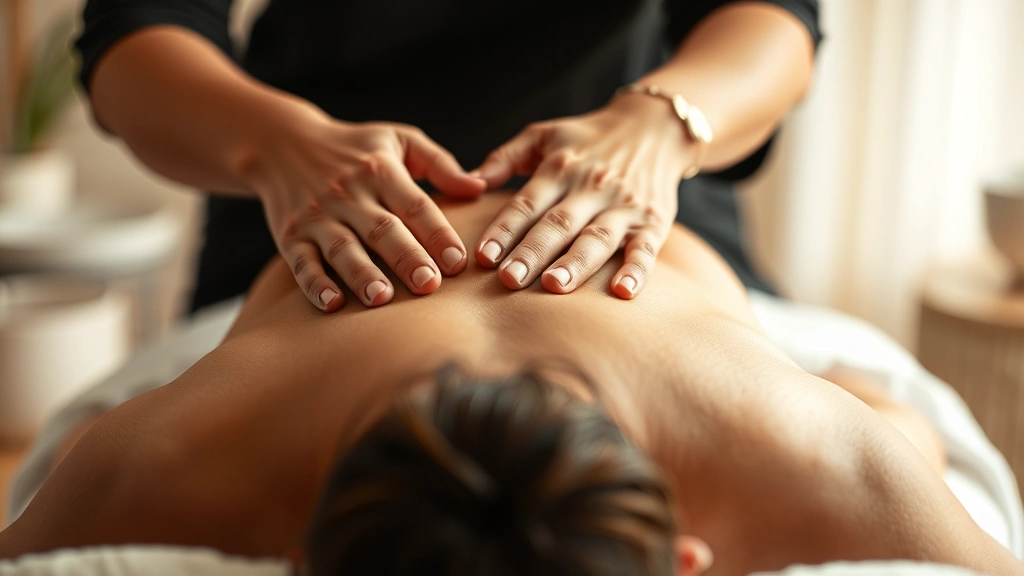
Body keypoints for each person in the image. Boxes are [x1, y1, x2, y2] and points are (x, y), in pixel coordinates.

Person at [0, 193, 1019, 576]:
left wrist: (889, 429)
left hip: (646, 227)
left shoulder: (828, 454)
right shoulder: (162, 457)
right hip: (322, 245)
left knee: (891, 412)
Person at [76, 0, 819, 313]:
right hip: (309, 227)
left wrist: (659, 127)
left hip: (648, 212)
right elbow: (136, 33)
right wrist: (275, 146)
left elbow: (773, 21)